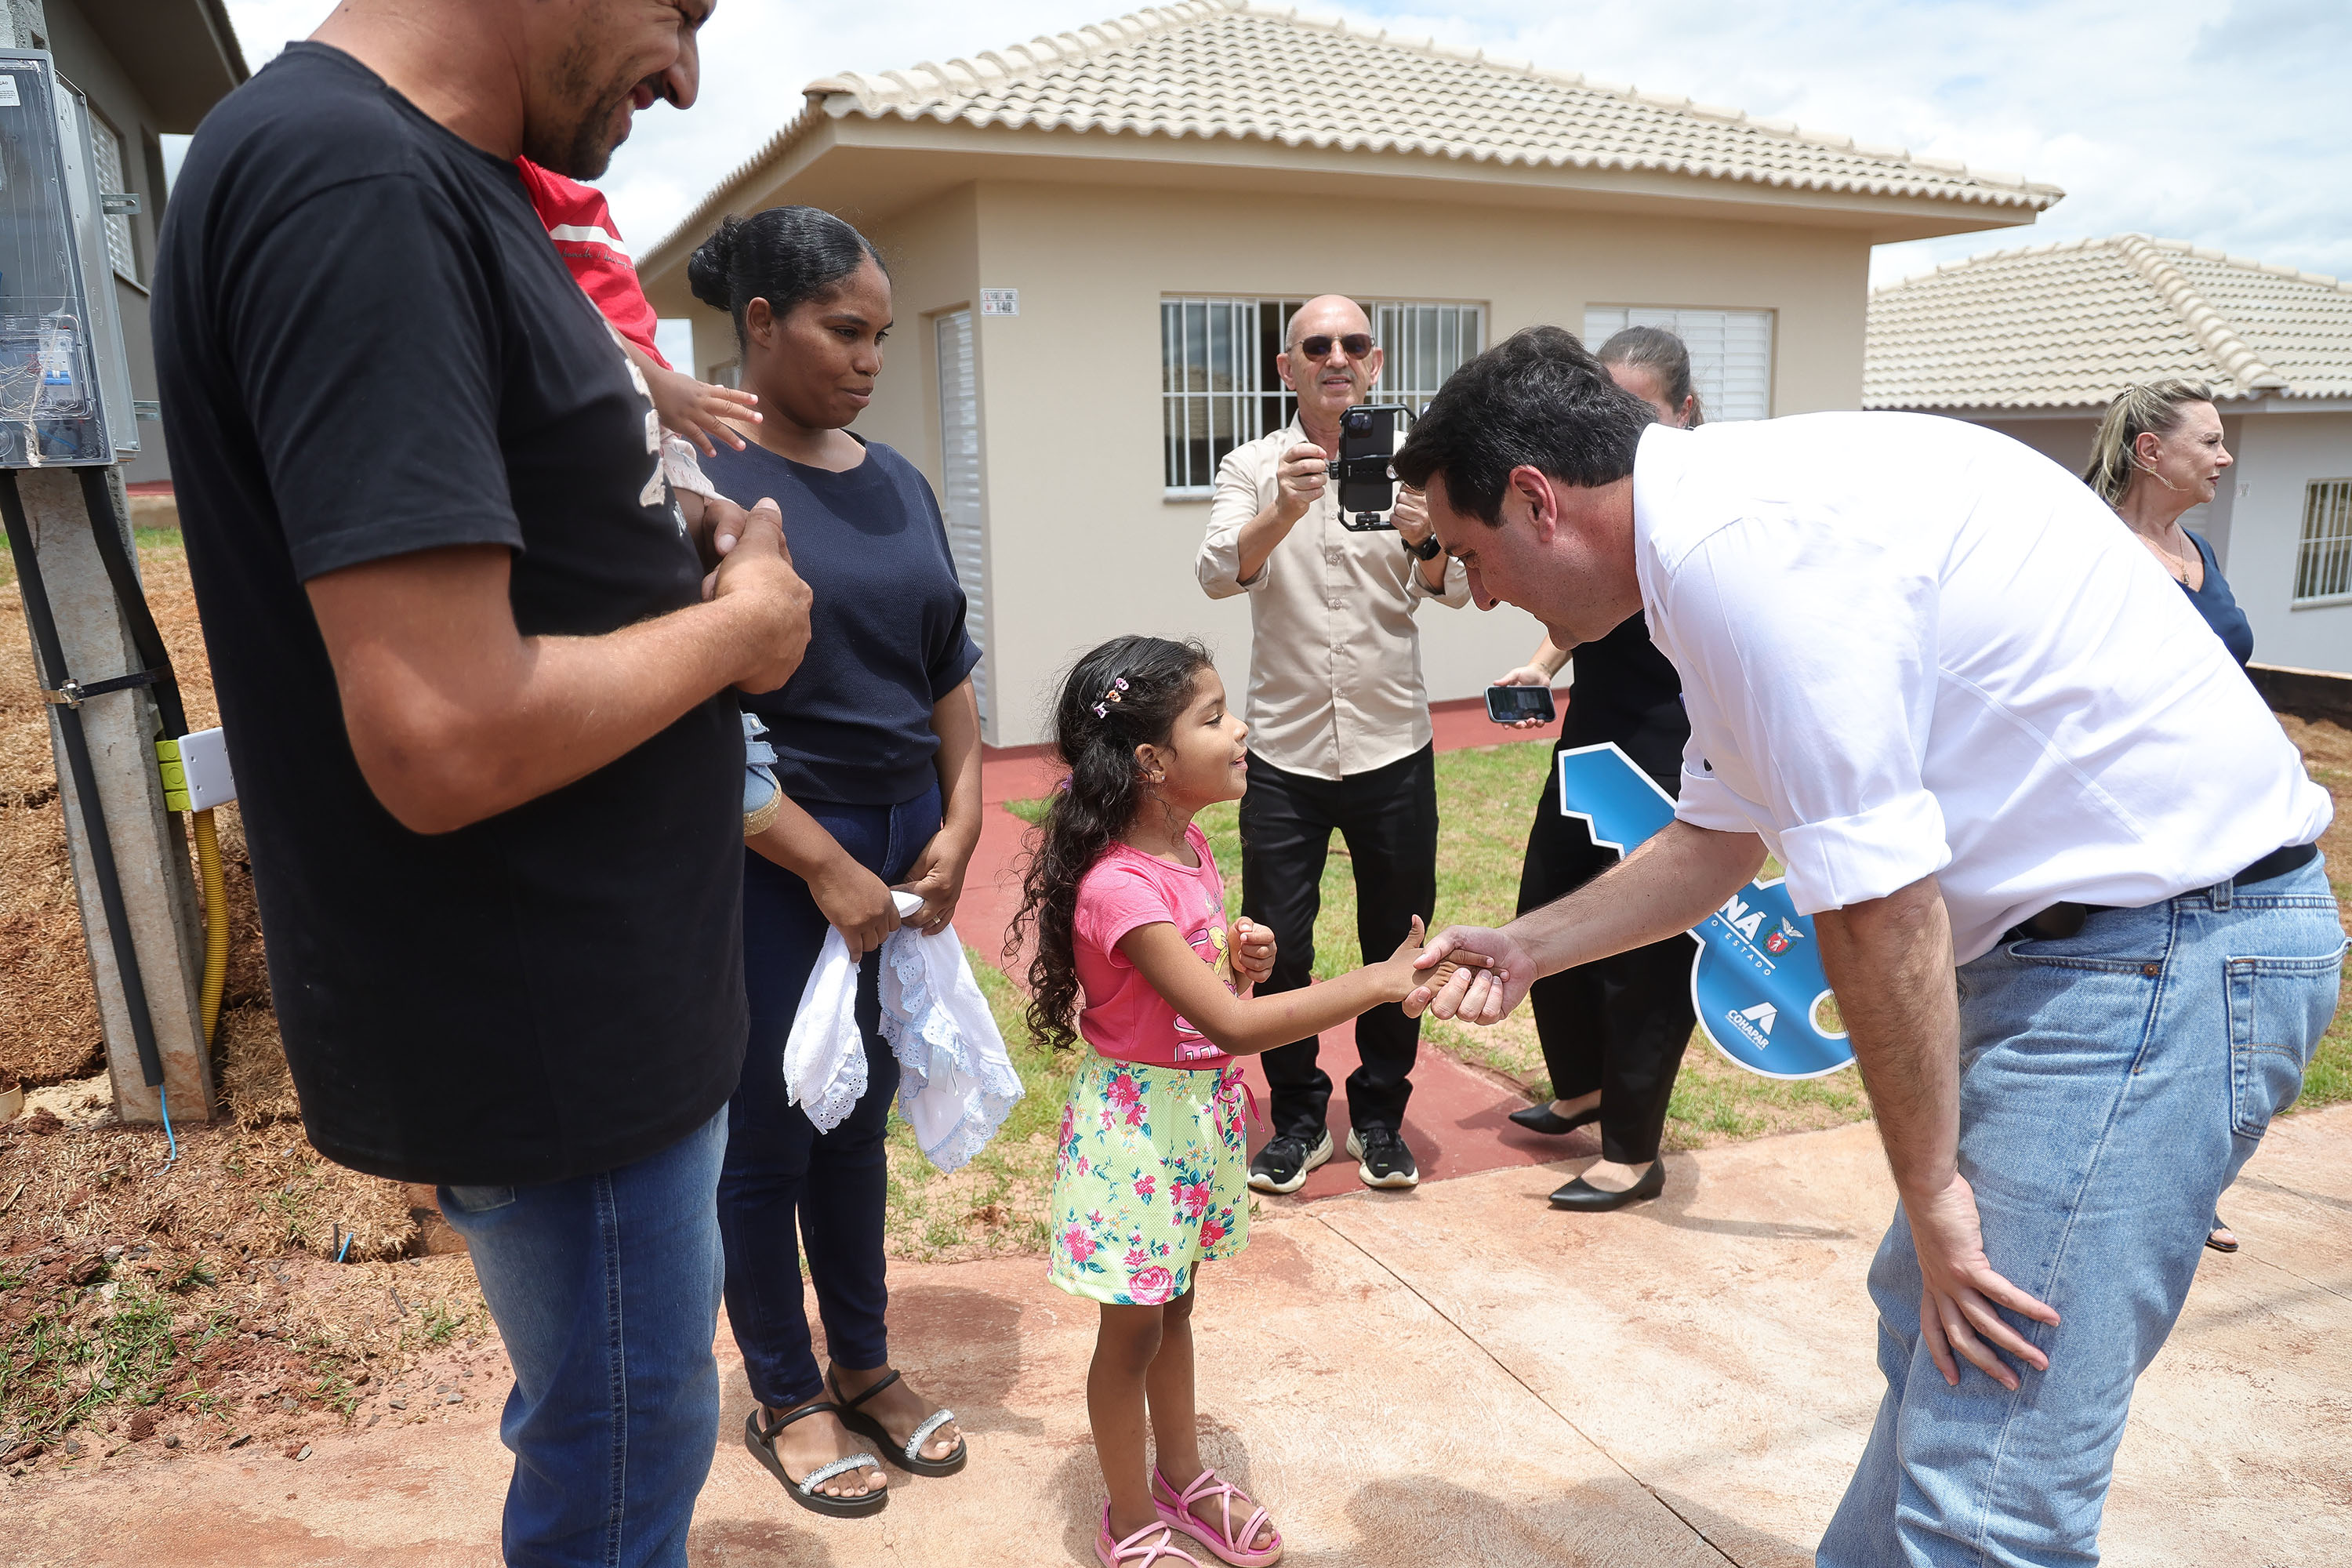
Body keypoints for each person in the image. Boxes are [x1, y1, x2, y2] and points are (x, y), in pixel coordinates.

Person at [1399, 328, 2339, 1567]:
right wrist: (1526, 947)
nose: (1477, 594)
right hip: (2110, 951)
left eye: (1469, 555)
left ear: (1537, 500)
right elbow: (1716, 843)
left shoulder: (1744, 555)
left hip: (2161, 954)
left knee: (1988, 1484)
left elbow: (1877, 906)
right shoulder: (1713, 543)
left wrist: (1934, 1190)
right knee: (1936, 1348)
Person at [152, 3, 815, 1564]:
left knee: (618, 1432)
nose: (687, 77)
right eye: (681, 9)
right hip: (553, 1025)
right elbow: (443, 730)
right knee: (620, 1463)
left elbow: (510, 534)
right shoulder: (355, 185)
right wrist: (739, 634)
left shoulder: (446, 180)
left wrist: (675, 541)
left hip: (587, 1003)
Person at [1011, 635, 1443, 1568]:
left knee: (1175, 1305)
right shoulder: (1120, 886)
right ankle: (1129, 1515)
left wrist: (1235, 954)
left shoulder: (1188, 846)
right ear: (1151, 761)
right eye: (1214, 717)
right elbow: (1234, 1026)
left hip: (1193, 1118)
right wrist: (1374, 980)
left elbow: (1202, 991)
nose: (1241, 728)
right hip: (1137, 1133)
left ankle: (1182, 1473)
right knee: (1131, 1330)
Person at [685, 207, 984, 1517]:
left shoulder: (902, 480)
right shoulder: (707, 486)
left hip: (904, 845)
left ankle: (863, 1363)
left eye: (880, 335)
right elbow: (700, 716)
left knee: (857, 1119)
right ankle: (786, 1393)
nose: (869, 358)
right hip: (777, 857)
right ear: (762, 323)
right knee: (768, 1132)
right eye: (843, 330)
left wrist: (964, 820)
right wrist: (821, 867)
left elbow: (946, 669)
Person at [1196, 295, 1471, 1194]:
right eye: (1317, 345)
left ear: (1376, 361)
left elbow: (1455, 588)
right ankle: (1300, 1117)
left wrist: (1425, 541)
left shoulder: (1418, 468)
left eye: (1354, 343)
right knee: (1279, 944)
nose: (1336, 357)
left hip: (1394, 746)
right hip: (1285, 754)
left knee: (1402, 941)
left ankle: (1381, 1115)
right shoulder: (1251, 465)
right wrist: (1282, 508)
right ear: (1288, 368)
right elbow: (1217, 572)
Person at [1488, 326, 1704, 1211]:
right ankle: (1580, 1087)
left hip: (1669, 747)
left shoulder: (1701, 510)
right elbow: (1588, 608)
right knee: (1548, 907)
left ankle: (1632, 1150)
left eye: (1640, 412)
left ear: (1685, 412)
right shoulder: (1598, 492)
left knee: (1644, 947)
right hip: (1593, 735)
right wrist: (1541, 665)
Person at [2084, 379, 2256, 1253]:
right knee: (2135, 1020)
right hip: (2129, 827)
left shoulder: (2198, 551)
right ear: (2151, 451)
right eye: (2210, 441)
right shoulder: (2091, 547)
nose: (2225, 457)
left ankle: (2186, 1188)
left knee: (2216, 1016)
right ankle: (2114, 1197)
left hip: (2221, 822)